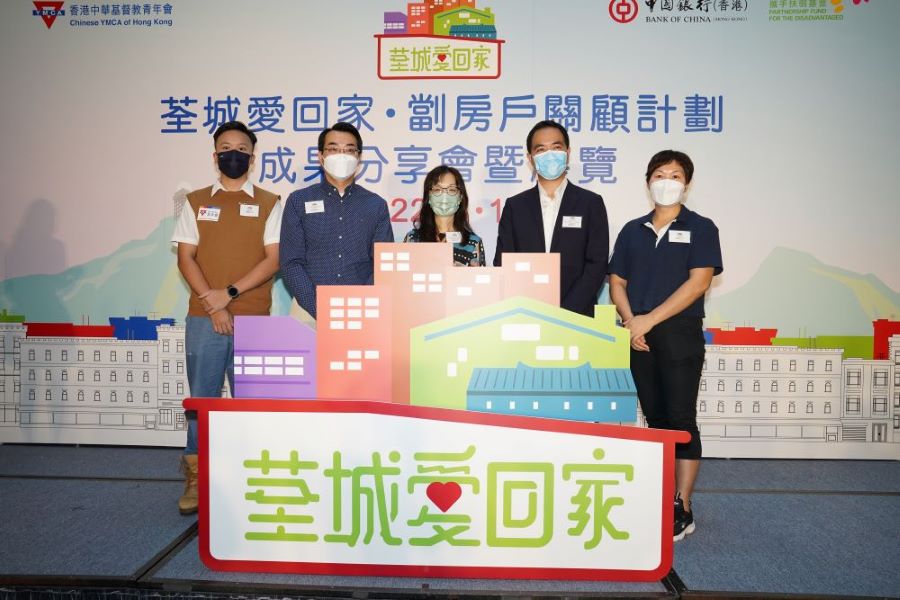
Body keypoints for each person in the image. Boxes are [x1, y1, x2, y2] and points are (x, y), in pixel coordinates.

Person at [608, 150, 723, 542]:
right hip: (637, 336)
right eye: (660, 174)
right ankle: (661, 496)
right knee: (656, 419)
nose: (667, 181)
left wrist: (649, 319)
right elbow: (617, 282)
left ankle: (682, 506)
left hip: (679, 333)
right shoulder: (632, 230)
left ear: (686, 184)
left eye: (675, 175)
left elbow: (699, 282)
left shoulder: (701, 227)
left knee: (680, 418)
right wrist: (631, 322)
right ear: (648, 181)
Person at [171, 120, 282, 515]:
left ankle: (249, 475)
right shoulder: (195, 201)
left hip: (253, 318)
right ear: (215, 155)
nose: (233, 154)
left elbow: (274, 259)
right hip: (204, 317)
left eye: (242, 149)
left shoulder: (270, 202)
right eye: (225, 148)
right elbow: (186, 257)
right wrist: (214, 305)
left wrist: (229, 295)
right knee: (201, 400)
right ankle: (196, 474)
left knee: (251, 403)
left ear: (252, 158)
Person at [493, 120, 608, 316]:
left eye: (556, 147)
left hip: (578, 316)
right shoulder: (515, 206)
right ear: (530, 158)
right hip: (525, 314)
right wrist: (528, 308)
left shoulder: (590, 203)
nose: (550, 155)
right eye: (541, 149)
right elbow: (503, 262)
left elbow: (596, 265)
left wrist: (566, 312)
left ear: (568, 152)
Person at [280, 122, 393, 319]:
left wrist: (360, 304)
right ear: (321, 156)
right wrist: (318, 307)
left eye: (349, 150)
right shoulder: (298, 201)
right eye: (333, 149)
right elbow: (291, 262)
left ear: (358, 158)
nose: (341, 155)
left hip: (361, 309)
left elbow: (383, 263)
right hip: (308, 311)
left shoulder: (376, 205)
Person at [402, 165, 486, 266]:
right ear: (429, 196)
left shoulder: (473, 242)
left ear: (460, 197)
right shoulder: (413, 239)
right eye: (437, 189)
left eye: (452, 190)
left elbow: (478, 275)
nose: (444, 195)